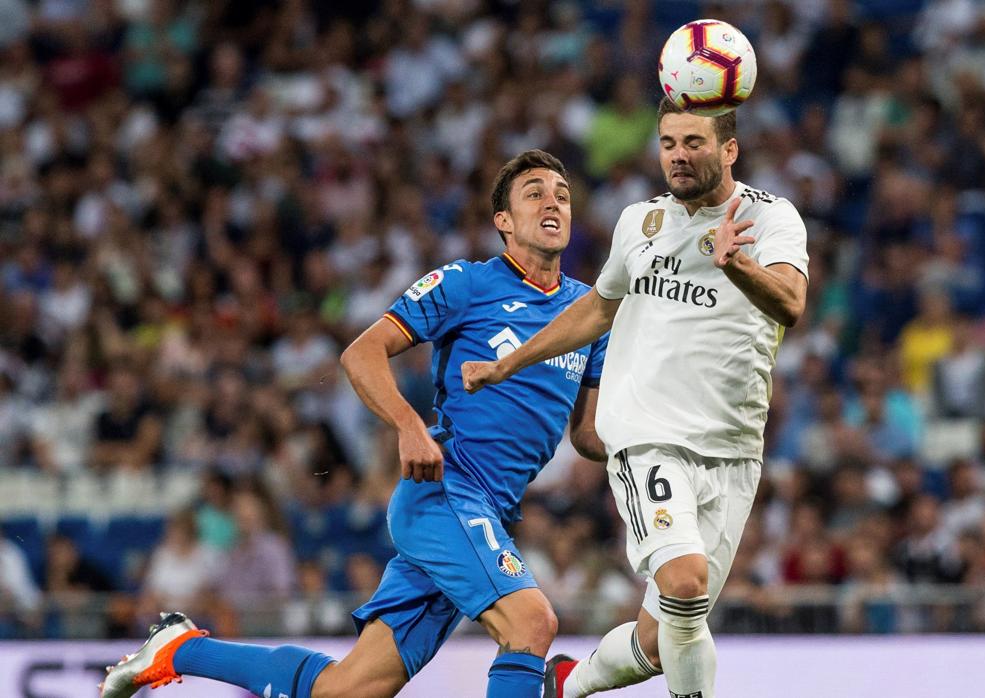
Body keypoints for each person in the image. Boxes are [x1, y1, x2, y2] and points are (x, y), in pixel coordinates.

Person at [100, 149, 610, 698]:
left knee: (346, 690)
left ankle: (178, 648)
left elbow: (587, 436)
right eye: (534, 193)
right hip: (446, 494)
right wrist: (408, 425)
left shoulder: (589, 314)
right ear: (503, 222)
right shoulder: (468, 283)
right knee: (531, 623)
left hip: (490, 513)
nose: (552, 201)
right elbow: (362, 353)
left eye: (561, 193)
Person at [464, 97, 809, 698]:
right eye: (668, 142)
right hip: (649, 437)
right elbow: (598, 307)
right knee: (683, 579)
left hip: (733, 451)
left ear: (729, 150)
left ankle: (565, 686)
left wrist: (737, 264)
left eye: (693, 143)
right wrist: (508, 363)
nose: (677, 155)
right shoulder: (638, 223)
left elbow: (791, 304)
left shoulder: (773, 219)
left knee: (659, 641)